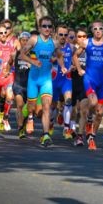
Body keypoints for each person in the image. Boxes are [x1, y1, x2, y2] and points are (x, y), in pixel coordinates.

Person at [20, 16, 66, 147]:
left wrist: (62, 66)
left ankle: (45, 135)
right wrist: (33, 61)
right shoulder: (34, 39)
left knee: (47, 107)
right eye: (44, 26)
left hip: (46, 80)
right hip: (33, 79)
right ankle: (25, 118)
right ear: (40, 28)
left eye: (49, 26)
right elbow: (22, 55)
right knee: (32, 107)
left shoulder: (54, 43)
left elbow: (59, 55)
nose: (47, 29)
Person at [73, 20, 103, 151]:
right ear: (92, 31)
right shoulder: (87, 42)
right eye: (95, 29)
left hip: (102, 81)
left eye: (100, 28)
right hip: (89, 78)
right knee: (92, 102)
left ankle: (91, 136)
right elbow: (75, 56)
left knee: (100, 113)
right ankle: (88, 121)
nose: (98, 31)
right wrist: (79, 69)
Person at [13, 32, 31, 138]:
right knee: (19, 105)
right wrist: (6, 71)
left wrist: (31, 65)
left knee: (28, 108)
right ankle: (20, 128)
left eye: (26, 40)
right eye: (22, 40)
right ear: (20, 41)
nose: (24, 42)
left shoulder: (33, 54)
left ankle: (23, 124)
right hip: (18, 84)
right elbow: (9, 62)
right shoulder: (15, 53)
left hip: (29, 85)